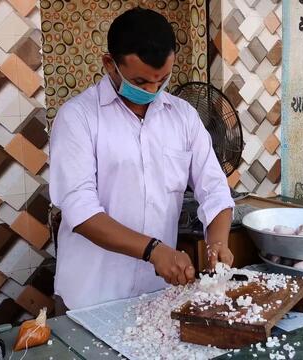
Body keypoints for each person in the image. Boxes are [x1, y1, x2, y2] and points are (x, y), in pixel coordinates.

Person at [49, 7, 235, 310]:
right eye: (140, 82)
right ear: (110, 64)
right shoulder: (78, 117)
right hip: (92, 295)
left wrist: (218, 244)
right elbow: (79, 209)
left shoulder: (183, 116)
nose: (152, 90)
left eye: (161, 81)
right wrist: (153, 250)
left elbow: (214, 189)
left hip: (156, 293)